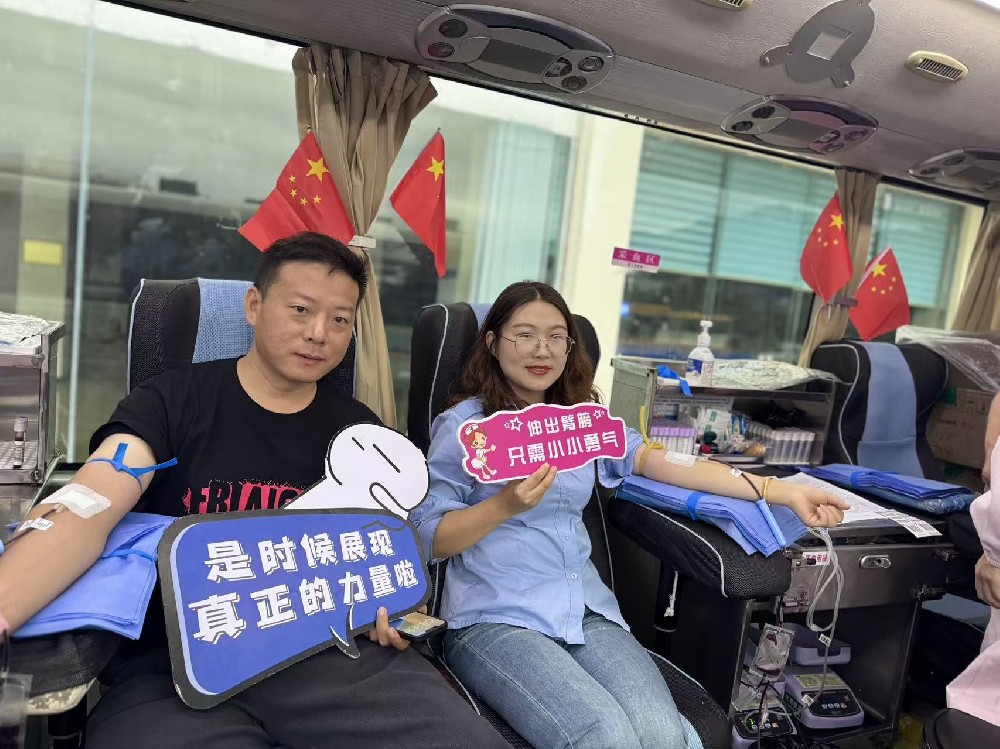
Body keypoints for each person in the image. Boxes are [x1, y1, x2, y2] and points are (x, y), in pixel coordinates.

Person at [0, 232, 507, 749]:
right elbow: (89, 505)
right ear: (254, 305)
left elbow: (382, 556)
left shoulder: (363, 437)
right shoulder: (173, 401)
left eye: (339, 320)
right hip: (181, 667)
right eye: (300, 309)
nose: (318, 333)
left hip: (332, 658)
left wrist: (385, 609)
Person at [411, 281, 849, 749]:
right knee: (607, 736)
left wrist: (780, 490)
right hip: (494, 617)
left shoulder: (582, 422)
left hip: (586, 611)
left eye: (557, 336)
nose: (542, 349)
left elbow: (665, 463)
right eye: (524, 335)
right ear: (493, 343)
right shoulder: (467, 428)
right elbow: (429, 537)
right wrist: (503, 506)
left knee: (663, 734)